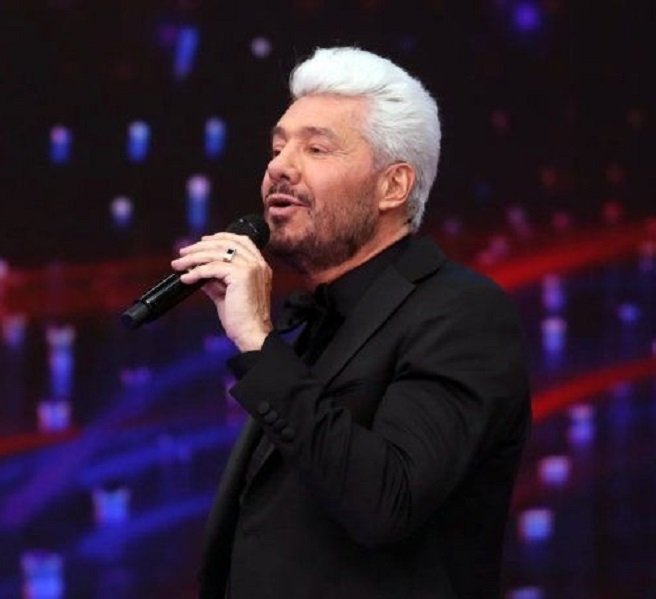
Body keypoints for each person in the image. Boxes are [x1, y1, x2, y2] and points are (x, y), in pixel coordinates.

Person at [171, 47, 530, 599]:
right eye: (277, 147)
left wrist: (259, 343)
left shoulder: (462, 313)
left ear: (393, 186)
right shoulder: (317, 324)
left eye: (316, 148)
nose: (279, 167)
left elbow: (386, 502)